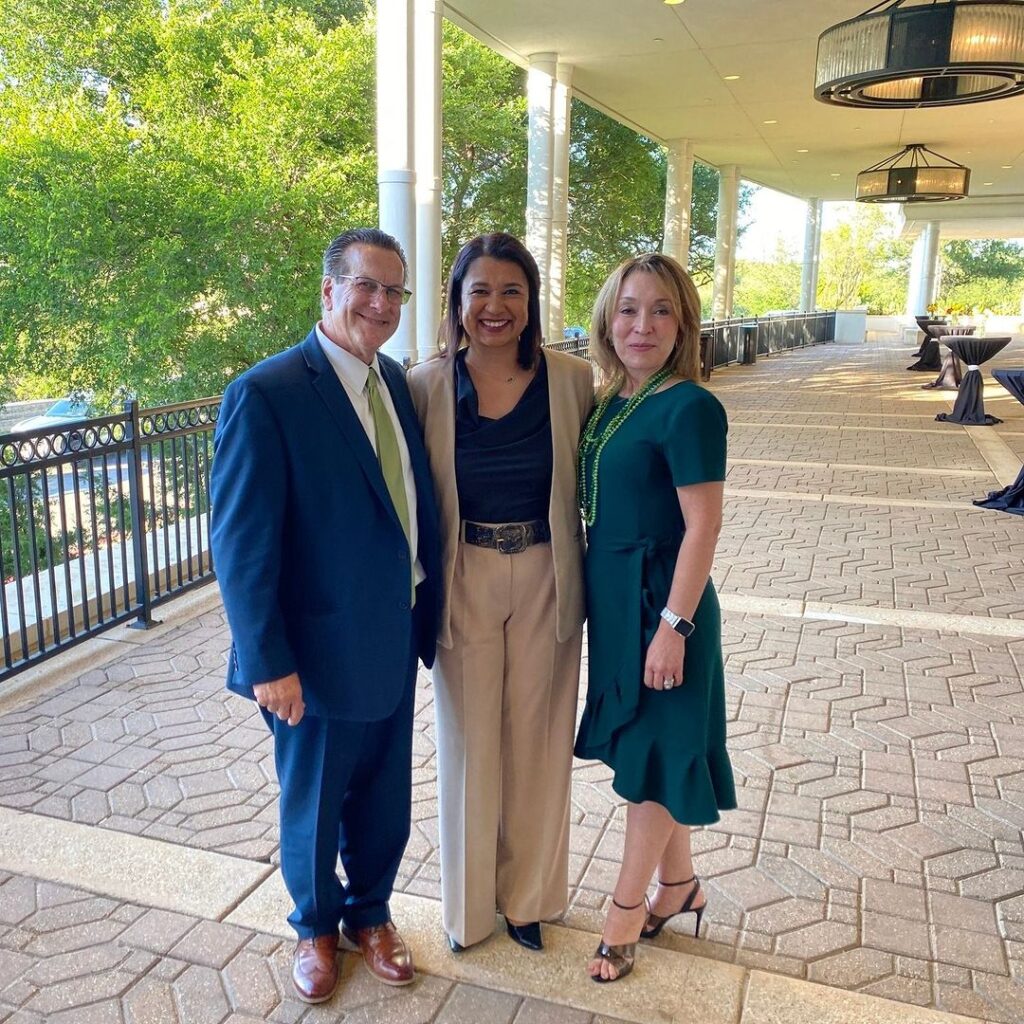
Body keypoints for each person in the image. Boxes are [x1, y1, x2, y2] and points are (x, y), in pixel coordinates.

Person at [210, 228, 441, 1004]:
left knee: (384, 795)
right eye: (366, 286)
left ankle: (370, 916)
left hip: (394, 636)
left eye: (394, 292)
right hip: (310, 656)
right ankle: (315, 928)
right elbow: (241, 546)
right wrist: (268, 661)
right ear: (329, 291)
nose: (380, 304)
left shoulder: (396, 385)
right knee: (312, 801)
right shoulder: (268, 393)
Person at [408, 232, 593, 953]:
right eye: (479, 290)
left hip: (549, 572)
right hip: (465, 576)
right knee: (468, 743)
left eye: (511, 291)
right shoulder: (423, 385)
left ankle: (528, 902)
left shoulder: (572, 379)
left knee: (538, 742)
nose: (495, 306)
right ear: (456, 302)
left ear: (531, 303)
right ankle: (468, 911)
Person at [573, 252, 735, 983]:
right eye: (629, 308)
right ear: (608, 318)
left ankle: (623, 915)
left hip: (665, 610)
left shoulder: (690, 406)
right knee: (651, 754)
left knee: (649, 767)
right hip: (617, 607)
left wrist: (674, 625)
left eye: (661, 309)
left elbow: (703, 527)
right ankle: (681, 887)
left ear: (684, 323)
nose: (642, 324)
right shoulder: (612, 400)